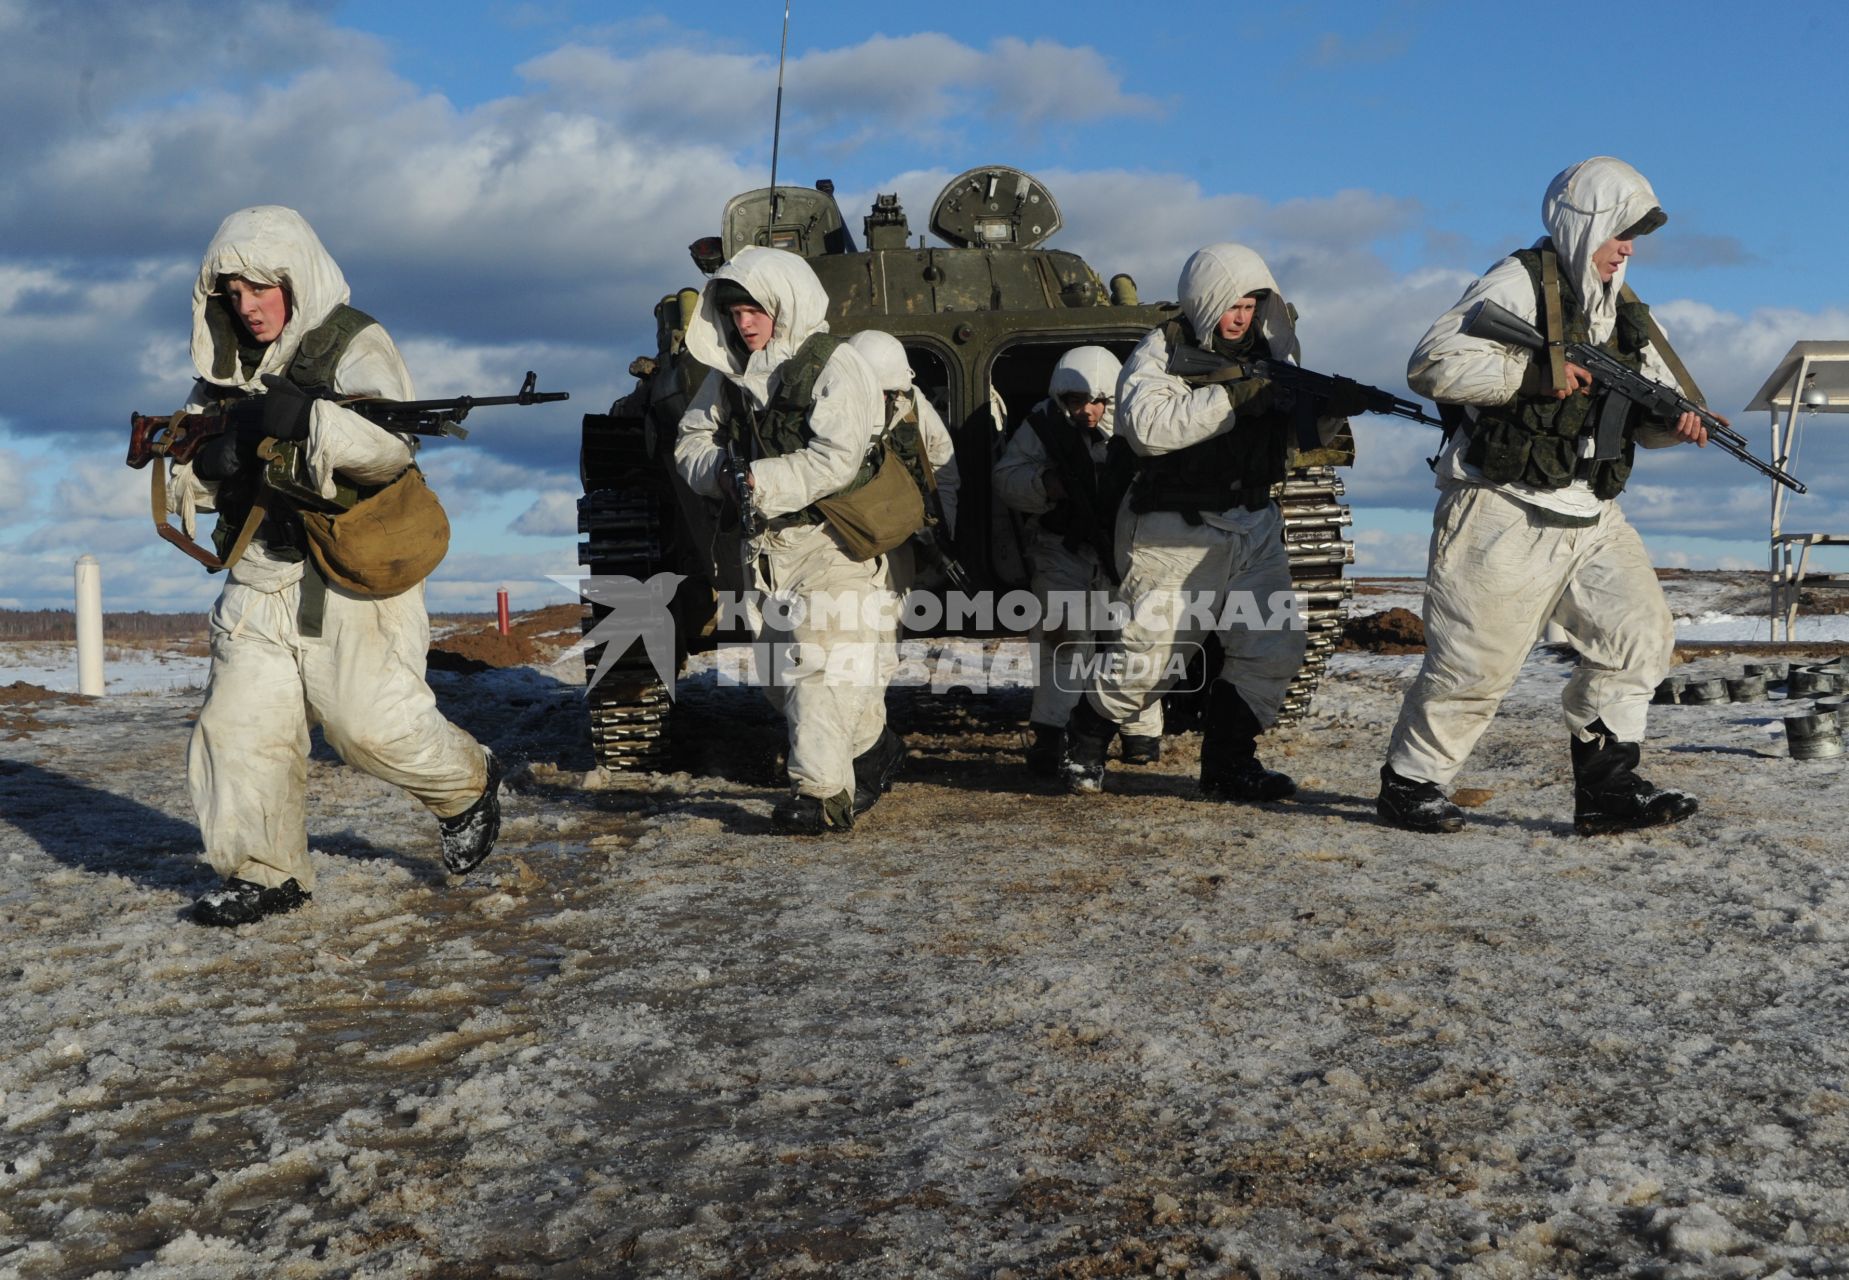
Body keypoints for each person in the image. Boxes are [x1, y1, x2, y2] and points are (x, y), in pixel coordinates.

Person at [167, 206, 500, 926]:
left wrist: (308, 420)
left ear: (294, 278)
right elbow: (180, 466)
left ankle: (465, 786)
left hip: (347, 571)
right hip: (258, 574)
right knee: (239, 729)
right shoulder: (223, 370)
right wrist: (210, 465)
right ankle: (267, 872)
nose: (248, 307)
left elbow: (389, 450)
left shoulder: (353, 342)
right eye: (233, 294)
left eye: (261, 288)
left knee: (370, 730)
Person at [1377, 156, 1710, 836]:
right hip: (1499, 504)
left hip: (1588, 509)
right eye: (1620, 230)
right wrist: (1534, 374)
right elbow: (1430, 363)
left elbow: (1649, 421)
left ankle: (1608, 792)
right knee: (1475, 661)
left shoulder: (1627, 309)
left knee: (1638, 636)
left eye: (1635, 235)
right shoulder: (1517, 284)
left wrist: (1676, 425)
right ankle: (1411, 785)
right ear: (1583, 223)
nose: (1627, 247)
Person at [1063, 244, 1353, 800]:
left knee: (1274, 647)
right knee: (1148, 661)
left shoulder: (1273, 352)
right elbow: (1148, 427)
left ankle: (1229, 764)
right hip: (1175, 528)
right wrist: (1237, 395)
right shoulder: (1163, 350)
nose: (1241, 317)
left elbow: (1292, 439)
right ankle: (1084, 744)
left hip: (1254, 521)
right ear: (1205, 301)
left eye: (1251, 305)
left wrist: (1329, 408)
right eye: (1231, 305)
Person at [675, 247, 905, 834]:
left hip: (832, 541)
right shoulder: (729, 376)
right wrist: (721, 473)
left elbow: (835, 457)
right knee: (783, 683)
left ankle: (822, 795)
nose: (741, 323)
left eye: (754, 309)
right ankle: (875, 749)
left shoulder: (835, 364)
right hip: (765, 552)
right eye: (731, 312)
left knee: (819, 666)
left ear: (784, 303)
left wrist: (756, 479)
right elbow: (690, 443)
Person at [992, 346, 1163, 775]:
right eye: (1075, 403)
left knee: (1134, 638)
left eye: (1096, 402)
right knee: (1062, 639)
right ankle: (1053, 731)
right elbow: (1007, 478)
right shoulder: (1043, 425)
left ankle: (1140, 729)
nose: (1087, 412)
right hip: (1061, 548)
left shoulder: (1136, 419)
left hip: (1127, 547)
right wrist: (1045, 484)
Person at [843, 329, 962, 582]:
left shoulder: (912, 405)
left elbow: (942, 470)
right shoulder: (833, 410)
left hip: (905, 534)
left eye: (887, 392)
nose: (880, 399)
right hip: (849, 537)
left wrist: (939, 532)